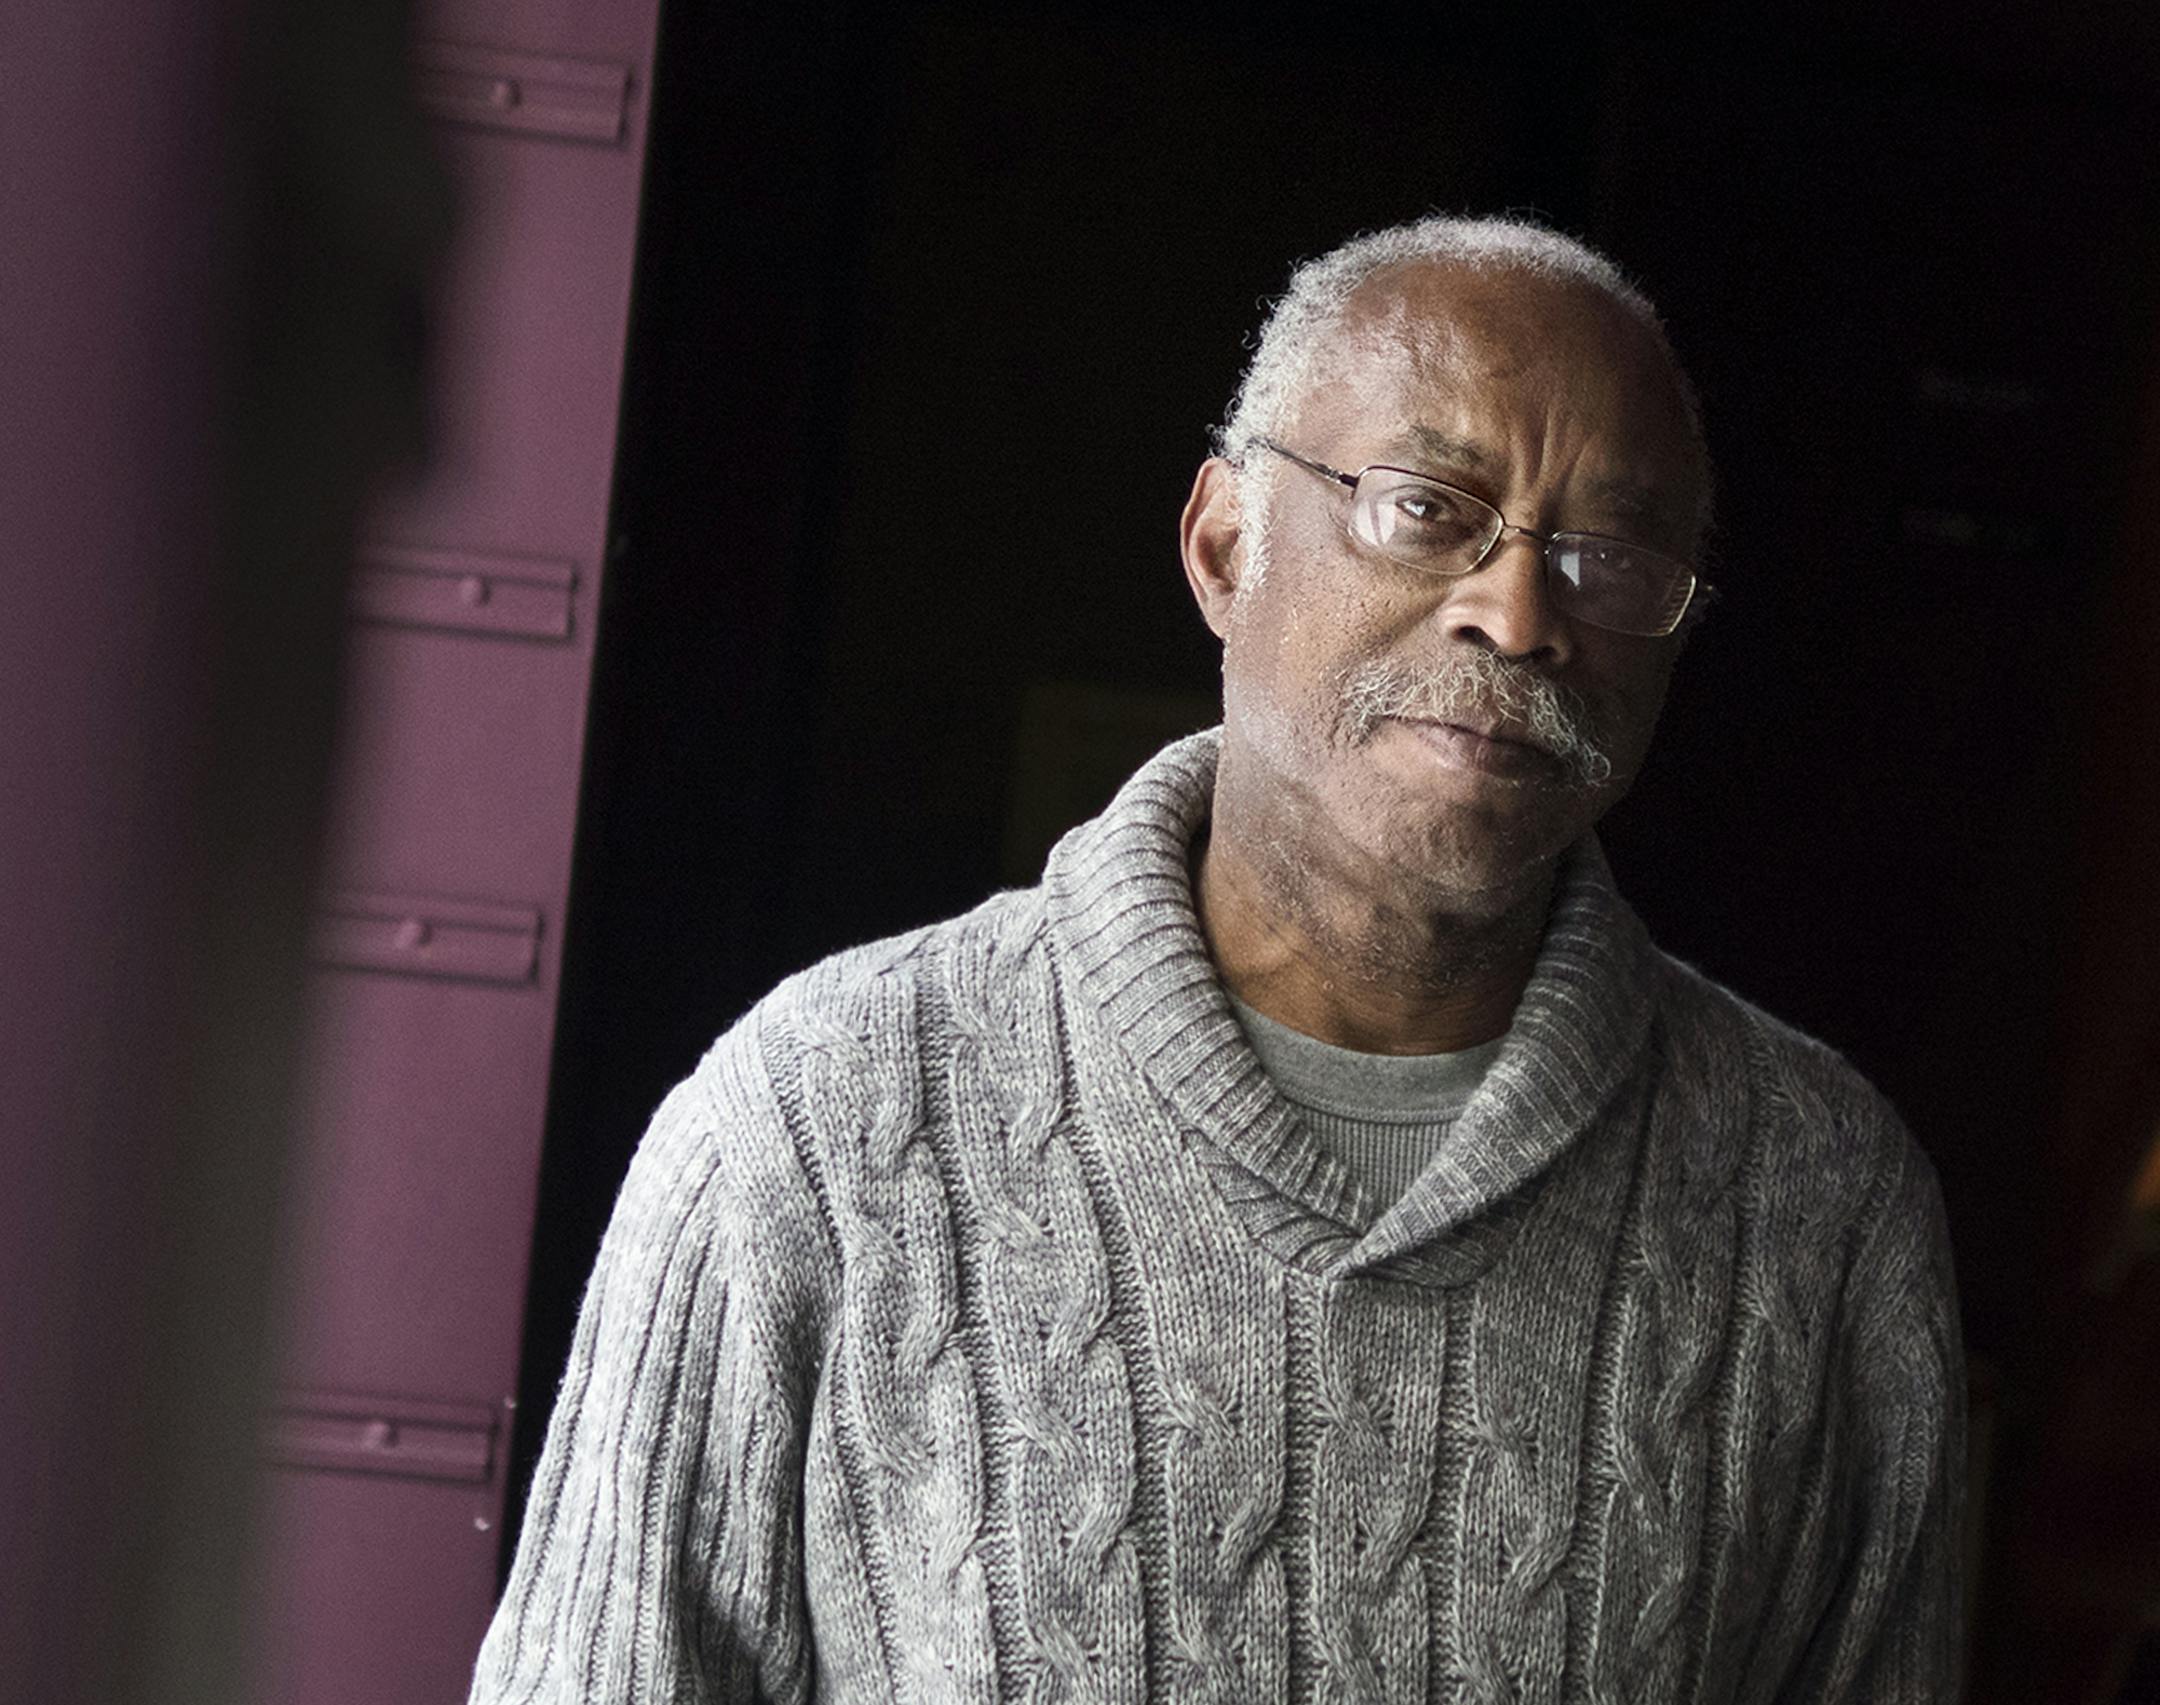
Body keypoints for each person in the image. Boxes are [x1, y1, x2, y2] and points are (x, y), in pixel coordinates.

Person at [467, 214, 1966, 1704]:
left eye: (1606, 554)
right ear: (1224, 544)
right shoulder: (813, 1126)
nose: (1518, 614)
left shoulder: (1822, 1206)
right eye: (1428, 507)